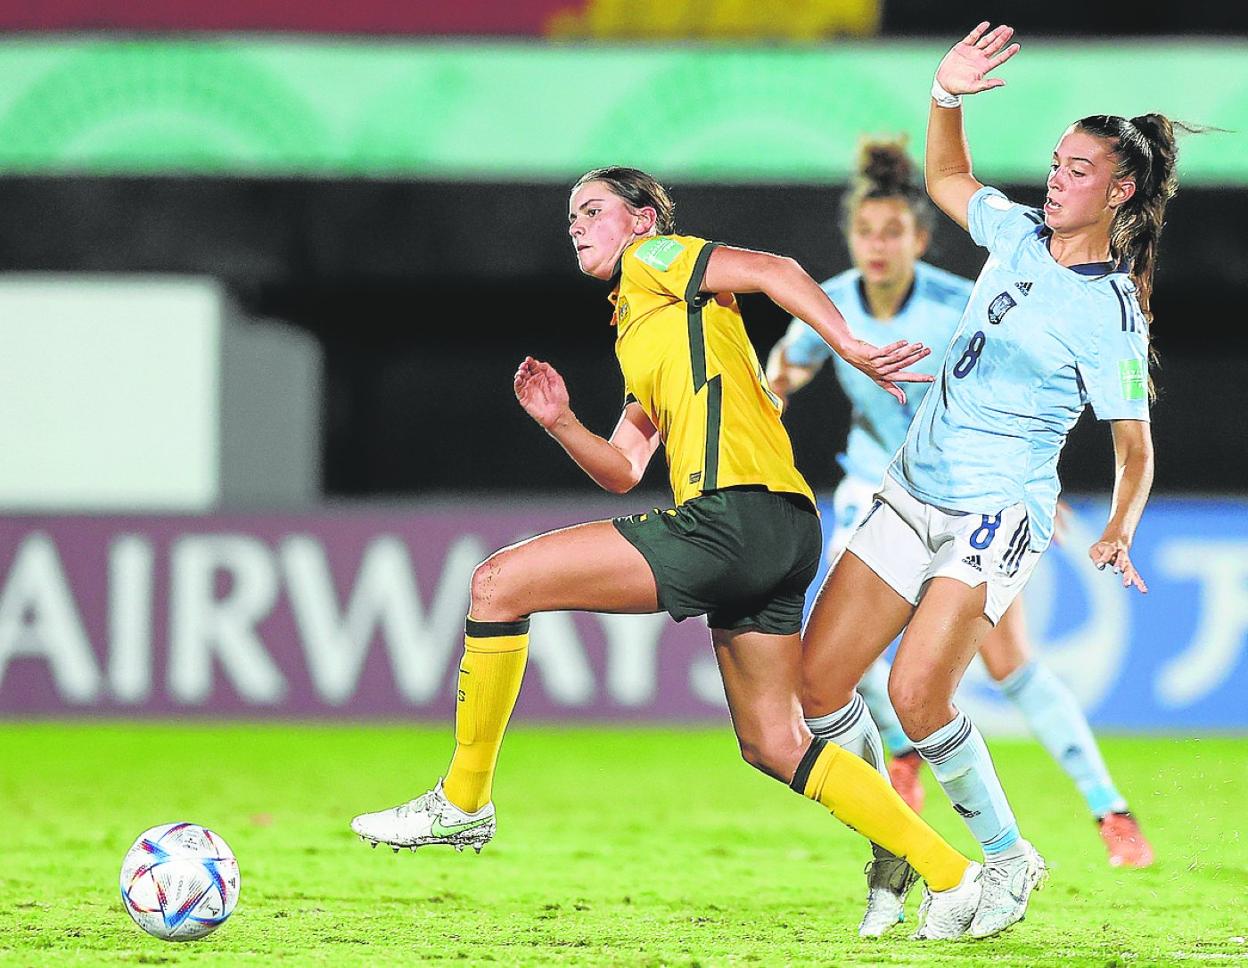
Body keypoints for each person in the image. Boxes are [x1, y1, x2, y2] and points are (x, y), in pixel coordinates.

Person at [351, 165, 990, 939]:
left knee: (496, 584)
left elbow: (775, 269)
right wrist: (560, 422)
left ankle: (463, 800)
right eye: (571, 216)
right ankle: (954, 876)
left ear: (643, 219)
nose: (577, 225)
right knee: (774, 742)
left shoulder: (658, 261)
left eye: (594, 210)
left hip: (732, 517)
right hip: (784, 523)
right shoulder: (644, 323)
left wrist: (849, 344)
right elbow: (624, 468)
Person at [797, 21, 1181, 940]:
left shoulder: (1111, 312)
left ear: (1120, 191)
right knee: (817, 688)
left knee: (919, 696)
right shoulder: (1014, 235)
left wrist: (1118, 526)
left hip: (996, 512)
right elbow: (945, 177)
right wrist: (945, 95)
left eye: (1078, 171)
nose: (1056, 179)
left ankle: (1007, 859)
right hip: (910, 489)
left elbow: (1135, 446)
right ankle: (895, 845)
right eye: (1055, 163)